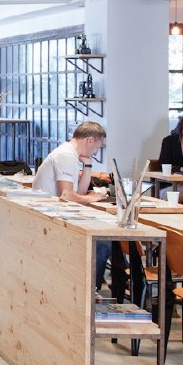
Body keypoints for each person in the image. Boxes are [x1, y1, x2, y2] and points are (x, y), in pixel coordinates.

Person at [33, 122, 114, 290]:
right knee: (102, 243)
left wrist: (88, 166)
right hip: (49, 219)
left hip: (54, 214)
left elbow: (79, 192)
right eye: (97, 147)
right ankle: (92, 292)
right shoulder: (66, 155)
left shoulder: (70, 154)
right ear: (90, 141)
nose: (96, 152)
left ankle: (97, 290)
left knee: (108, 241)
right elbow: (67, 196)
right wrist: (92, 198)